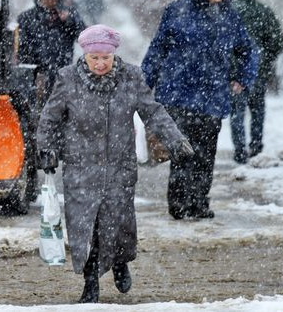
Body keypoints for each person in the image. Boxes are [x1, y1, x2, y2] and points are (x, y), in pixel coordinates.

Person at [37, 24, 194, 303]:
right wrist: (46, 149)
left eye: (105, 58)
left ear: (114, 56)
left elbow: (152, 111)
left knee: (117, 223)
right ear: (84, 55)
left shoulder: (131, 77)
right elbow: (50, 118)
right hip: (80, 166)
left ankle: (120, 262)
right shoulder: (68, 79)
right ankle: (90, 282)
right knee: (85, 227)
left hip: (119, 166)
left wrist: (175, 140)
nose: (100, 64)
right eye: (94, 58)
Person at [141, 0, 258, 220]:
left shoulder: (230, 15)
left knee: (206, 154)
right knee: (182, 151)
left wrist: (243, 78)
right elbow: (157, 49)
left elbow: (248, 50)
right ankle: (179, 204)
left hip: (212, 97)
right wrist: (143, 85)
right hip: (178, 94)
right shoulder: (177, 10)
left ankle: (199, 203)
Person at [230, 0, 283, 163]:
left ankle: (239, 150)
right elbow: (277, 42)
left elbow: (224, 42)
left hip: (236, 74)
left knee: (237, 112)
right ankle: (256, 146)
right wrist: (265, 60)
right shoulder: (265, 12)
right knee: (257, 110)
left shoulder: (232, 10)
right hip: (259, 72)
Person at [17, 0, 86, 105]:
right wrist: (31, 73)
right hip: (35, 75)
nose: (50, 1)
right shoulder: (26, 18)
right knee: (36, 109)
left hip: (62, 72)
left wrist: (69, 21)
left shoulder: (68, 14)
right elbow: (21, 47)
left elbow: (84, 36)